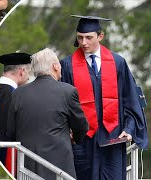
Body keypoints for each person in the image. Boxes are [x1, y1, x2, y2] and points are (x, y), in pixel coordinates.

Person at [60, 15, 149, 180]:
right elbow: (62, 105)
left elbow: (129, 100)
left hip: (113, 139)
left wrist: (129, 129)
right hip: (83, 141)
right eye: (80, 38)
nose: (84, 43)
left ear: (100, 36)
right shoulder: (67, 65)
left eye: (89, 37)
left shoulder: (118, 62)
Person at [7, 48, 88, 179]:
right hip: (59, 168)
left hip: (27, 167)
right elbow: (81, 126)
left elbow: (10, 132)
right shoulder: (68, 92)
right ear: (55, 66)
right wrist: (75, 139)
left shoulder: (18, 93)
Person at [0, 52, 31, 165]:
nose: (28, 77)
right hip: (5, 158)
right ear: (21, 72)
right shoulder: (15, 95)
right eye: (28, 72)